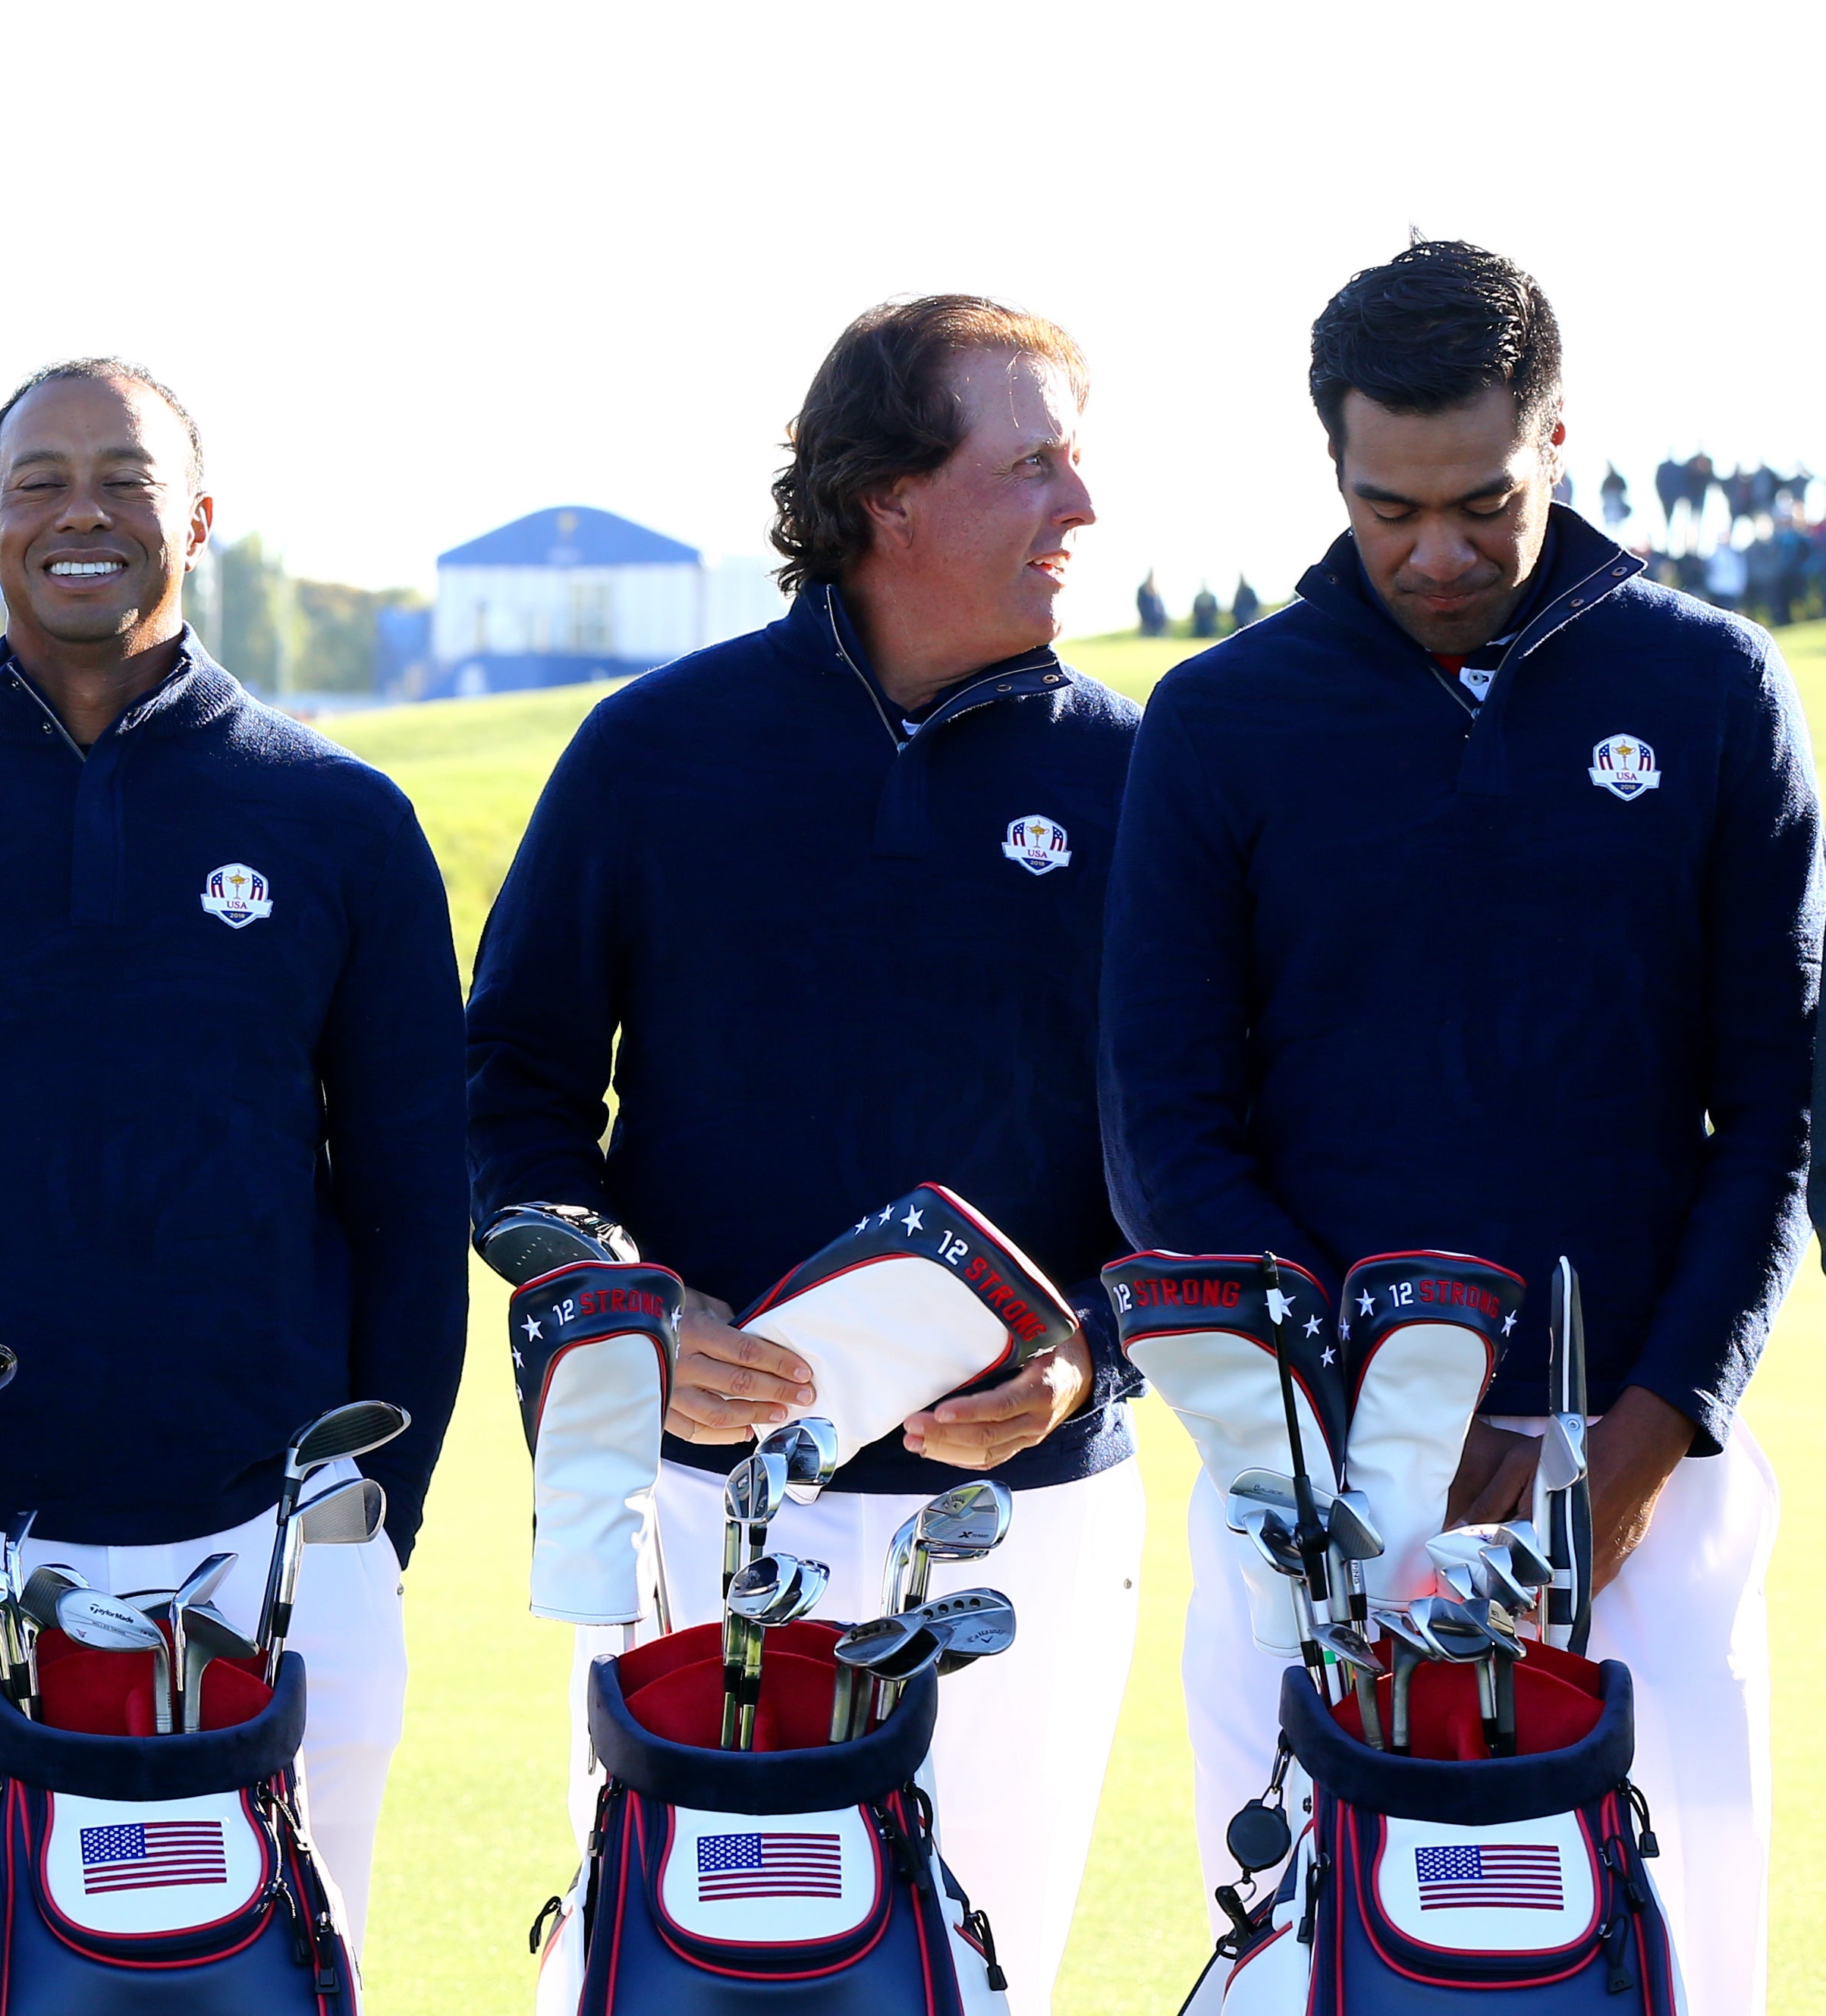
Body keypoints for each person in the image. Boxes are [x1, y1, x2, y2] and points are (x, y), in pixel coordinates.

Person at [1102, 240, 1814, 2016]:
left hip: (1643, 1460)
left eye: (1482, 501)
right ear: (1331, 469)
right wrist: (1360, 1419)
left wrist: (1644, 1444)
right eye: (1386, 505)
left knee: (1683, 1958)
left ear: (1558, 441)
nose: (1434, 551)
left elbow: (1783, 1109)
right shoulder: (1217, 720)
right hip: (1312, 1468)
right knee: (1316, 1964)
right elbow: (1162, 1117)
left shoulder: (1712, 689)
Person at [0, 358, 464, 2016]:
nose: (83, 511)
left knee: (277, 1985)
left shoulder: (340, 822)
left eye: (125, 478)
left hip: (278, 1544)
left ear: (196, 518)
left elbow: (414, 1204)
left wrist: (370, 1523)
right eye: (43, 480)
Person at [467, 296, 1144, 2014]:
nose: (1083, 508)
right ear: (889, 495)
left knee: (980, 1987)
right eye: (1038, 465)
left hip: (1021, 1528)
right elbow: (506, 1095)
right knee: (663, 1980)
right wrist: (607, 1291)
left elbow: (1213, 1163)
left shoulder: (1150, 786)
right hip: (683, 1511)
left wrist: (1087, 1357)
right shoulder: (656, 753)